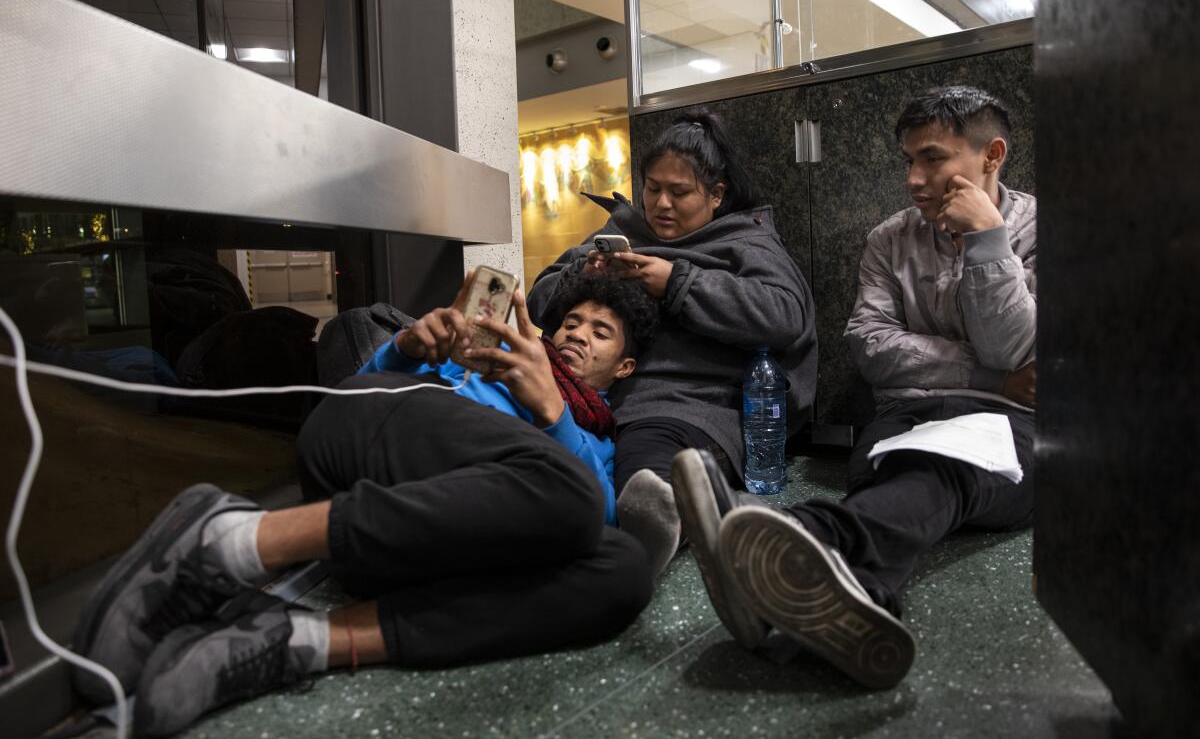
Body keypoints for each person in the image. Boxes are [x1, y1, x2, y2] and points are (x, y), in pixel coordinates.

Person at [70, 271, 659, 736]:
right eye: (572, 323)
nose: (577, 334)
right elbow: (357, 396)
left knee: (624, 571)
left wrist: (553, 411)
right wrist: (405, 348)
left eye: (600, 332)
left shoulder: (599, 441)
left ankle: (297, 643)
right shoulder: (489, 372)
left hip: (404, 545)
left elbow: (594, 517)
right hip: (366, 440)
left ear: (624, 367)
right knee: (573, 498)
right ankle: (228, 545)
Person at [673, 85, 1037, 688]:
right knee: (893, 467)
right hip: (908, 415)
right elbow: (871, 346)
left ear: (991, 155)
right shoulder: (888, 239)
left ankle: (806, 533)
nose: (915, 179)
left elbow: (1015, 346)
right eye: (908, 161)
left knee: (943, 466)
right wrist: (986, 374)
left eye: (934, 158)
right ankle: (862, 605)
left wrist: (988, 241)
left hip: (1012, 425)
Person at [527, 109, 818, 579]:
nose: (661, 203)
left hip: (684, 408)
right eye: (652, 188)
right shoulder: (614, 237)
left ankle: (660, 529)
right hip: (585, 394)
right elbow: (540, 300)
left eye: (679, 192)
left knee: (646, 456)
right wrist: (582, 277)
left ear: (717, 195)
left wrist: (677, 283)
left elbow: (783, 316)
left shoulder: (745, 241)